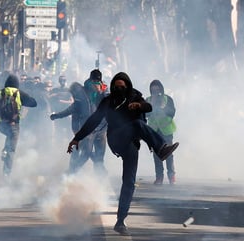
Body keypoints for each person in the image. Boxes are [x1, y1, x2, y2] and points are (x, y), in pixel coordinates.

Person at [66, 72, 179, 236]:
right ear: (112, 87)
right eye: (116, 87)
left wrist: (139, 106)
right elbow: (93, 121)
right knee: (137, 124)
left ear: (128, 86)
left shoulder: (135, 97)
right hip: (116, 138)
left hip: (132, 143)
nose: (119, 89)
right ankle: (161, 149)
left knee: (129, 182)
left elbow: (148, 107)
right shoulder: (108, 102)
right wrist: (77, 138)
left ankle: (120, 221)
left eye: (122, 86)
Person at [0, 74, 37, 176]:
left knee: (9, 137)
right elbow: (34, 103)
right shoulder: (19, 93)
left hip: (1, 125)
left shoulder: (0, 92)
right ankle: (6, 174)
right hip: (13, 125)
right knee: (12, 149)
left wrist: (3, 116)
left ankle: (4, 150)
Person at [50, 82, 93, 174]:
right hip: (85, 130)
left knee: (83, 151)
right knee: (80, 150)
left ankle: (73, 170)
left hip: (84, 130)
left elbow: (67, 111)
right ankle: (73, 170)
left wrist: (56, 116)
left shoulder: (79, 101)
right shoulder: (87, 98)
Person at [146, 79, 177, 185]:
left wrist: (163, 110)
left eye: (157, 88)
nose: (155, 90)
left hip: (166, 130)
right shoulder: (148, 100)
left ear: (161, 88)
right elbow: (144, 113)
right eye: (153, 88)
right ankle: (159, 177)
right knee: (156, 154)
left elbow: (172, 112)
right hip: (154, 131)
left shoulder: (168, 99)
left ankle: (171, 176)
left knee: (169, 153)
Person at [83, 69, 109, 175]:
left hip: (102, 125)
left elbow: (108, 100)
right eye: (93, 81)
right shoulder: (85, 88)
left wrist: (100, 92)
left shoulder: (104, 88)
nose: (95, 84)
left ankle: (99, 175)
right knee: (87, 151)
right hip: (88, 125)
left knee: (100, 154)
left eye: (97, 81)